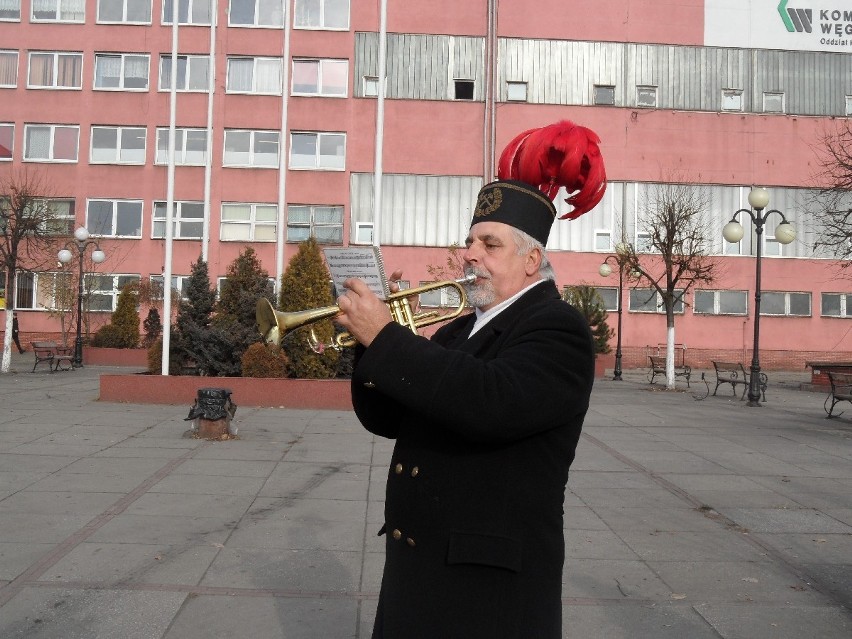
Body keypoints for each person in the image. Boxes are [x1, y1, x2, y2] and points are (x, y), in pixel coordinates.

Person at [336, 121, 606, 638]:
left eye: (489, 244)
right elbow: (388, 417)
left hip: (485, 590)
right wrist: (366, 342)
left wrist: (390, 340)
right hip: (420, 571)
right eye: (469, 242)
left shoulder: (557, 327)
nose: (469, 255)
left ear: (532, 261)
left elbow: (490, 401)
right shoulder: (462, 326)